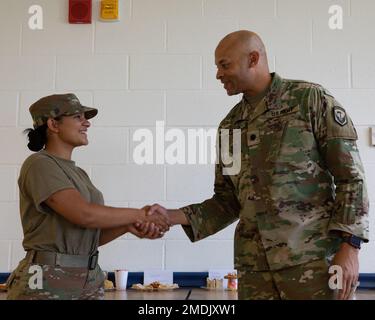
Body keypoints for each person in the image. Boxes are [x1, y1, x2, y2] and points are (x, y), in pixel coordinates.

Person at [144, 30, 369, 300]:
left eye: (224, 65)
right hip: (255, 273)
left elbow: (351, 178)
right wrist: (172, 216)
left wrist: (350, 245)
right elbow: (227, 201)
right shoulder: (230, 127)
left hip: (314, 266)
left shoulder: (309, 101)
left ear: (253, 59)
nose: (218, 74)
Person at [7, 94, 170, 300]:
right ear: (53, 124)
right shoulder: (39, 163)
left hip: (88, 278)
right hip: (46, 279)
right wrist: (140, 214)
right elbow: (84, 215)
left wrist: (128, 225)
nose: (87, 123)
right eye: (77, 117)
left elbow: (88, 237)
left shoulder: (79, 174)